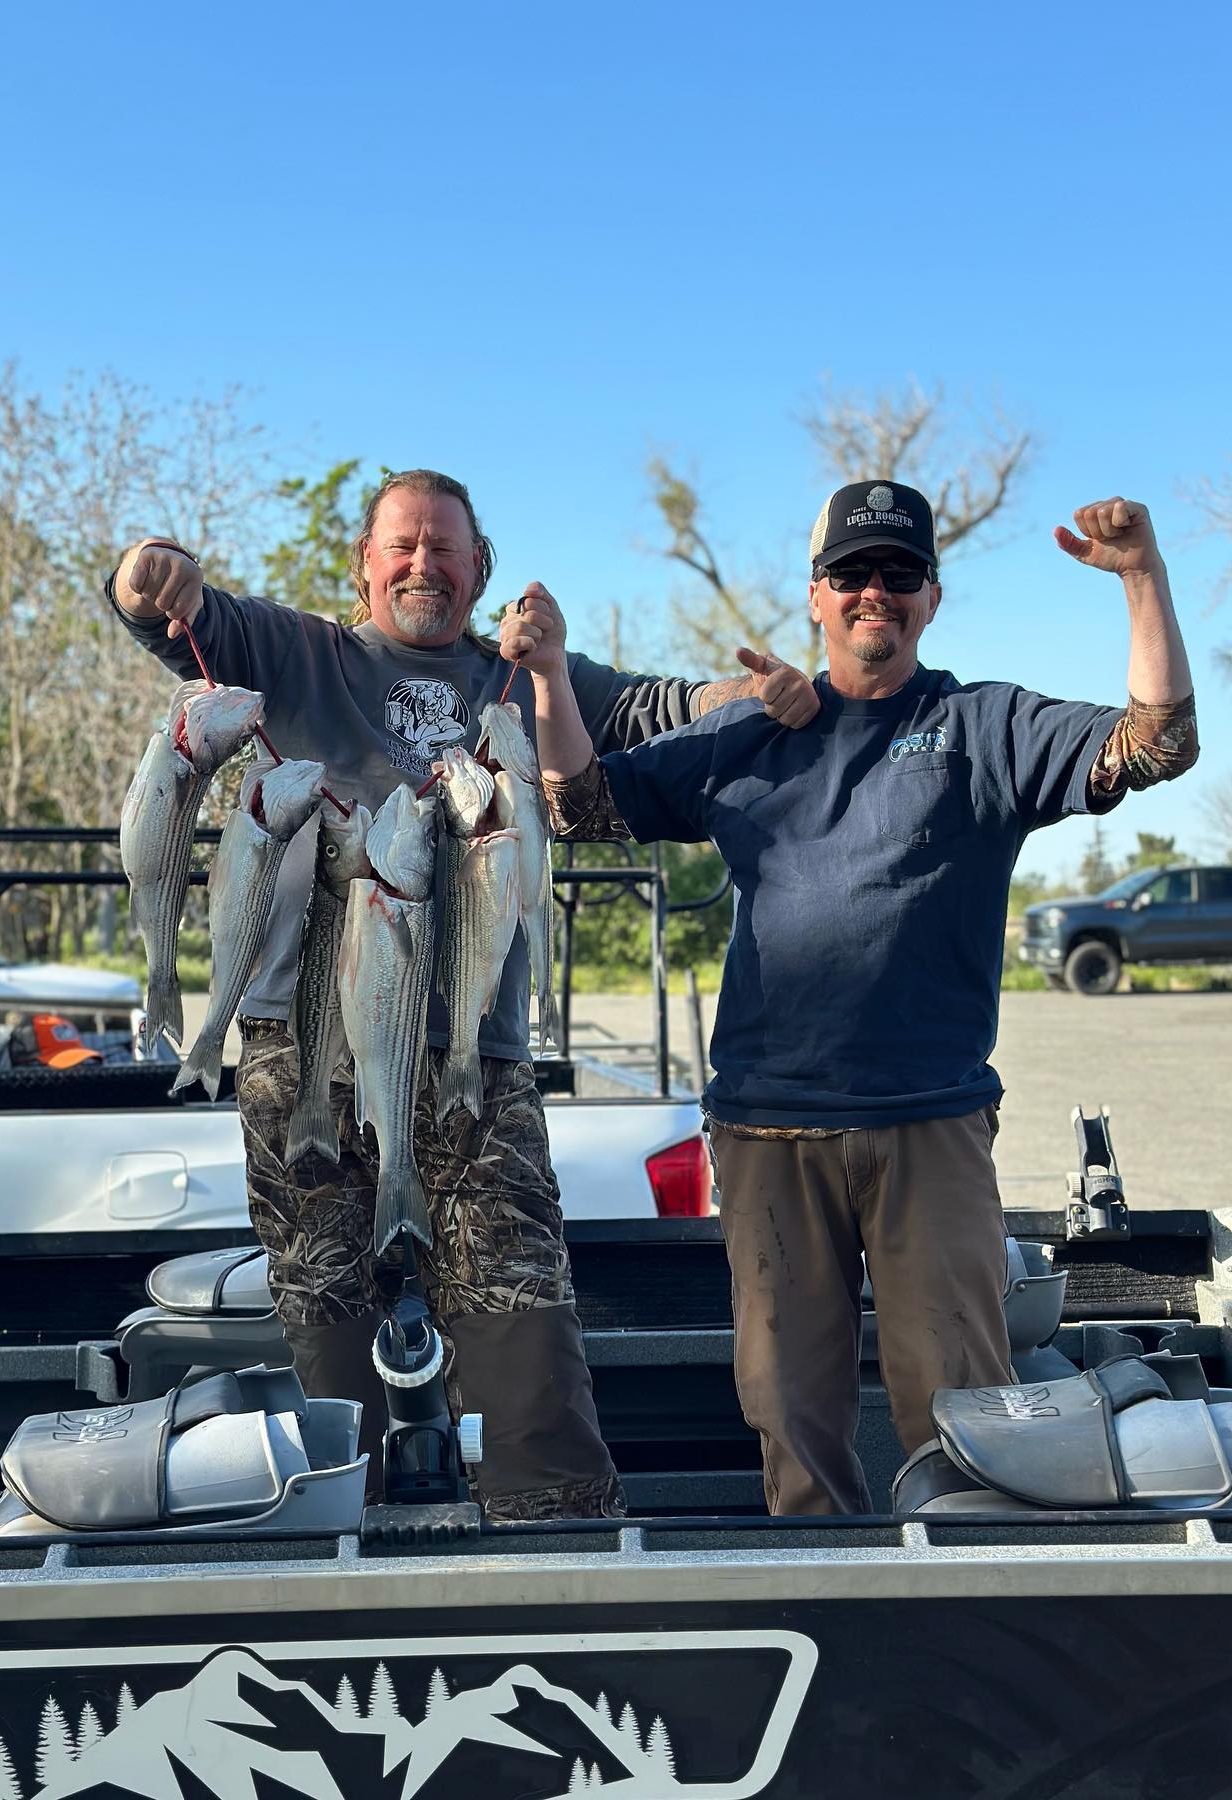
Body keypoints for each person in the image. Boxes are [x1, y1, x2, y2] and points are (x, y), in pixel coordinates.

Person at [106, 467, 818, 1522]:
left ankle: (557, 1538)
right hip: (297, 1048)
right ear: (364, 564)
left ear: (479, 568)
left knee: (523, 1315)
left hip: (473, 1055)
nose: (422, 564)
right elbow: (171, 616)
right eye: (401, 545)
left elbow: (663, 706)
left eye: (445, 547)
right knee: (321, 1312)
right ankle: (328, 1527)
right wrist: (143, 575)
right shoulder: (300, 652)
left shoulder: (526, 678)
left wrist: (756, 693)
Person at [521, 479, 1199, 1515]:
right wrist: (552, 675)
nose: (872, 591)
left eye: (897, 573)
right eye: (851, 573)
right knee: (791, 1417)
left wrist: (1142, 577)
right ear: (815, 596)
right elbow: (578, 808)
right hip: (766, 1132)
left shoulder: (987, 726)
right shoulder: (751, 730)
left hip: (931, 1127)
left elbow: (1160, 742)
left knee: (968, 1414)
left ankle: (964, 1634)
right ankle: (826, 1612)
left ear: (932, 597)